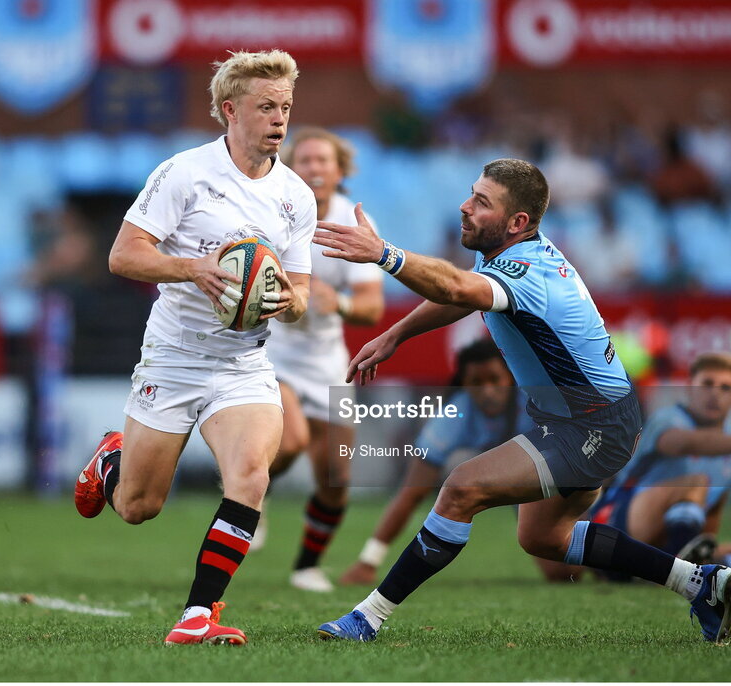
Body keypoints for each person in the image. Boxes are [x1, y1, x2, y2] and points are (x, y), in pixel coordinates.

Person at [313, 158, 731, 645]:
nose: (465, 206)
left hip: (591, 425)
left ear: (518, 222)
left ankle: (368, 617)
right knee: (542, 539)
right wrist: (397, 334)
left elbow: (457, 285)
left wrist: (384, 254)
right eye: (470, 193)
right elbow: (466, 293)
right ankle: (698, 583)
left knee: (460, 489)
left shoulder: (527, 272)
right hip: (588, 416)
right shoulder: (505, 253)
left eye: (481, 202)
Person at [72, 50, 314, 646]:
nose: (279, 118)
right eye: (266, 107)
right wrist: (192, 270)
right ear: (231, 111)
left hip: (243, 364)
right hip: (175, 357)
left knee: (251, 477)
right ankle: (113, 460)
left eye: (285, 107)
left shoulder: (296, 196)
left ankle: (197, 615)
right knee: (137, 506)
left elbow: (304, 293)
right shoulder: (184, 173)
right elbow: (122, 256)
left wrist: (287, 300)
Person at [262, 127, 385, 592]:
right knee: (288, 441)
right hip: (273, 352)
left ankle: (306, 566)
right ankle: (253, 495)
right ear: (293, 165)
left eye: (323, 160)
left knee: (336, 477)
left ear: (340, 169)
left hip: (327, 360)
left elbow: (371, 306)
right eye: (306, 159)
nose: (315, 167)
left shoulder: (354, 222)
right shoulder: (273, 210)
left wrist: (344, 305)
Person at [579, 352, 731, 585]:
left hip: (671, 540)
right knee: (695, 483)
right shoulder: (667, 419)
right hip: (618, 525)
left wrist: (706, 547)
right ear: (689, 388)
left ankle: (693, 574)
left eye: (725, 388)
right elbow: (684, 443)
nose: (715, 394)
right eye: (707, 384)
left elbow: (713, 509)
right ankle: (675, 571)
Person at [339, 338, 533, 587]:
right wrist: (369, 561)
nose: (487, 390)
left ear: (511, 377)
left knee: (558, 559)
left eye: (494, 379)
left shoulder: (535, 402)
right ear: (463, 384)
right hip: (522, 486)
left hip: (549, 475)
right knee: (555, 566)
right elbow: (411, 492)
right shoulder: (454, 416)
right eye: (476, 382)